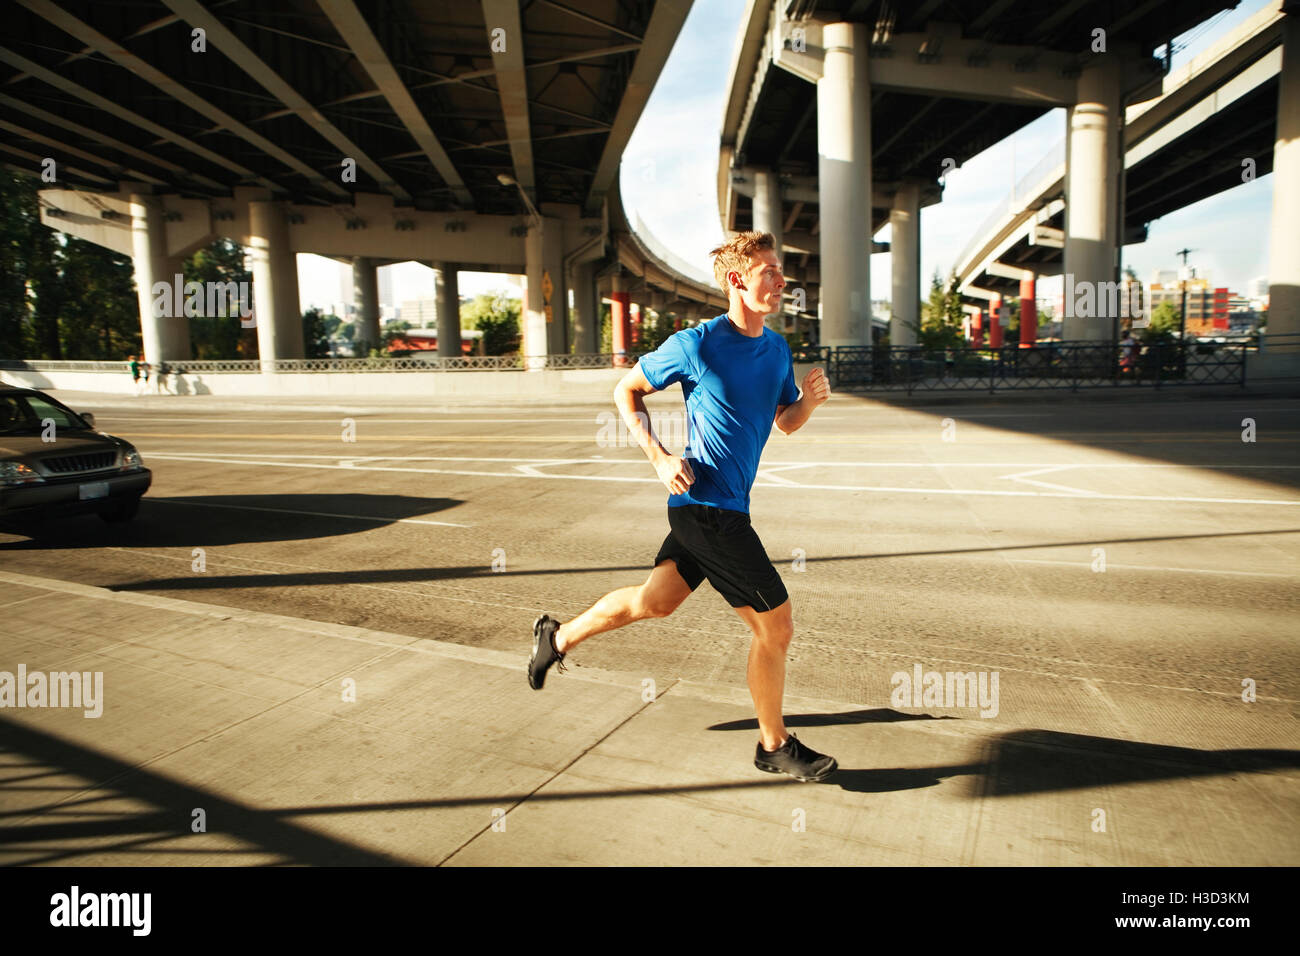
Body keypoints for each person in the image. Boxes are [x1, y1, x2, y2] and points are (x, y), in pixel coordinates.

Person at [528, 231, 838, 782]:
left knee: (655, 602)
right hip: (704, 508)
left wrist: (808, 402)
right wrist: (658, 456)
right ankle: (774, 745)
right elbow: (626, 390)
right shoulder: (696, 343)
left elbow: (783, 422)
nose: (781, 280)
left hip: (724, 509)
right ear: (738, 280)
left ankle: (556, 638)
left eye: (779, 271)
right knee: (777, 626)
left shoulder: (776, 348)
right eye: (770, 271)